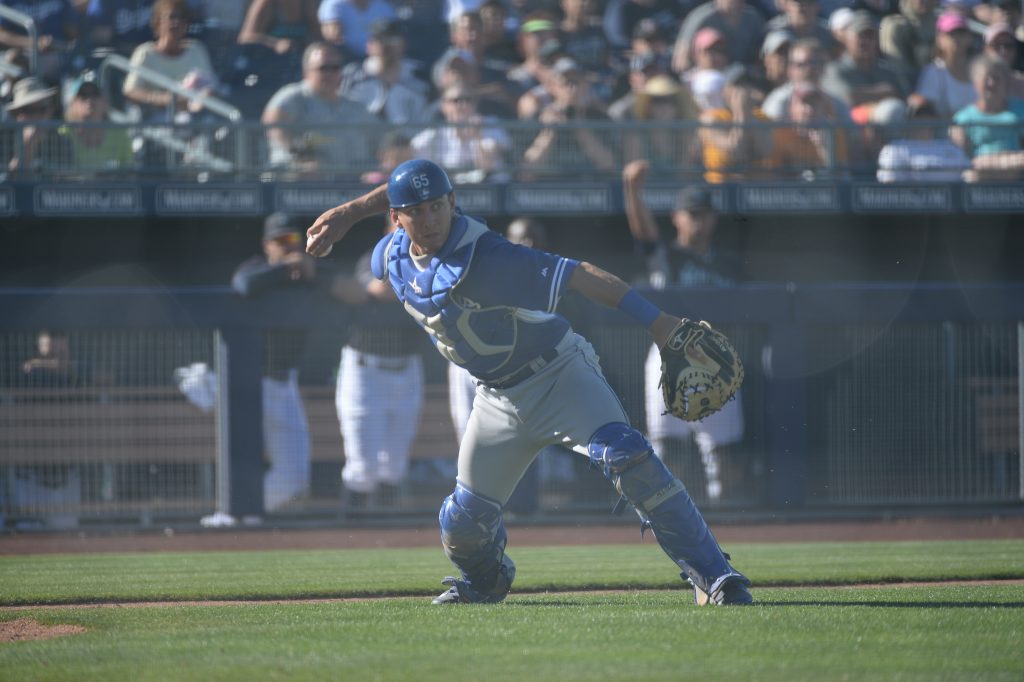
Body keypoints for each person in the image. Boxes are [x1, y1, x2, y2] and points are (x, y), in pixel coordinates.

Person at [306, 159, 753, 606]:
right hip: (497, 397)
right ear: (396, 218)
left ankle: (714, 575)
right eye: (416, 211)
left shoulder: (491, 256)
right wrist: (347, 213)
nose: (429, 218)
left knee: (626, 456)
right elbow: (400, 192)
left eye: (437, 206)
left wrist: (658, 322)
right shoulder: (390, 255)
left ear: (452, 203)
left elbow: (580, 274)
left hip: (558, 374)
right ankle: (487, 582)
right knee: (461, 523)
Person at [223, 212, 366, 514]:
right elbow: (243, 285)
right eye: (281, 241)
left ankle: (246, 512)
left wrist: (313, 271)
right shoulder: (257, 268)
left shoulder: (310, 272)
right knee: (240, 461)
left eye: (295, 240)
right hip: (244, 382)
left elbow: (355, 291)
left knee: (294, 478)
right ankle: (235, 514)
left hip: (281, 382)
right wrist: (284, 268)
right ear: (267, 245)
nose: (290, 247)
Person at [622, 162, 746, 504]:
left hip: (715, 358)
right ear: (677, 217)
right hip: (669, 356)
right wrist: (632, 191)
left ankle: (728, 521)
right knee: (667, 448)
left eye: (704, 214)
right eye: (691, 213)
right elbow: (644, 236)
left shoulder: (729, 263)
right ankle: (668, 518)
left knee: (722, 453)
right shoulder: (667, 258)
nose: (698, 220)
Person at [446, 218, 577, 517]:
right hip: (469, 364)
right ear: (507, 241)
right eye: (521, 238)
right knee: (471, 439)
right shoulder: (488, 265)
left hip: (513, 368)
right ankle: (472, 513)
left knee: (523, 434)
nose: (528, 246)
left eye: (534, 239)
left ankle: (522, 511)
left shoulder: (548, 280)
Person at [335, 215, 426, 510]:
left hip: (407, 368)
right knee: (362, 467)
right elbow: (378, 290)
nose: (406, 234)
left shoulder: (432, 262)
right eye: (399, 228)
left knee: (395, 466)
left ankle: (388, 539)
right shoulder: (374, 258)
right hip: (366, 369)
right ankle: (351, 535)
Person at [262, 41, 377, 175]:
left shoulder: (353, 106)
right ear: (306, 72)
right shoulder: (293, 96)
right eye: (323, 68)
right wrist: (300, 157)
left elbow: (381, 136)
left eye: (334, 68)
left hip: (347, 181)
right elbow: (274, 126)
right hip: (295, 180)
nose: (329, 73)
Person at [521, 57, 617, 178]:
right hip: (546, 189)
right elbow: (526, 172)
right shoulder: (538, 117)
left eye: (576, 82)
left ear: (585, 86)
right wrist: (548, 133)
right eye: (566, 83)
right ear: (553, 86)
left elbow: (608, 166)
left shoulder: (599, 118)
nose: (572, 89)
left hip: (590, 189)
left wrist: (582, 129)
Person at [121, 0, 215, 122]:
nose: (176, 22)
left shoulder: (197, 50)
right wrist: (166, 99)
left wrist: (202, 97)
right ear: (158, 23)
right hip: (156, 118)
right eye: (171, 17)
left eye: (182, 18)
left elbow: (210, 85)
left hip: (195, 116)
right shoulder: (145, 53)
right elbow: (130, 91)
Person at [411, 83, 511, 183]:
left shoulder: (490, 125)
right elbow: (411, 152)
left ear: (475, 104)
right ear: (443, 105)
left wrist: (477, 135)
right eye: (456, 101)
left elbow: (488, 166)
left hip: (489, 189)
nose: (462, 105)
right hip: (452, 191)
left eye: (467, 100)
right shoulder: (435, 134)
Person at [340, 19, 430, 125]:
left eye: (394, 39)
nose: (387, 45)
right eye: (381, 39)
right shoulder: (351, 75)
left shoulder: (420, 75)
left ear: (403, 45)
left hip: (410, 137)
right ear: (368, 45)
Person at [951, 54, 1024, 182]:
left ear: (1006, 82)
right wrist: (1006, 162)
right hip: (979, 182)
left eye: (997, 78)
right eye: (986, 78)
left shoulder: (1021, 110)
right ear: (975, 83)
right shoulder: (963, 119)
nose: (991, 83)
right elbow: (961, 160)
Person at [58, 70, 136, 175]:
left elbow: (129, 173)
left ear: (105, 102)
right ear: (72, 103)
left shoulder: (120, 134)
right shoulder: (62, 134)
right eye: (83, 95)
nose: (89, 100)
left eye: (95, 94)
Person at [876, 98, 971, 181]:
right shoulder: (893, 148)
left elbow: (968, 173)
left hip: (953, 199)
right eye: (919, 116)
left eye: (928, 116)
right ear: (908, 120)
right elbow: (889, 183)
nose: (924, 120)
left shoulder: (950, 147)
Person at [912, 10, 976, 119]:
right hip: (944, 135)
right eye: (951, 34)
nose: (956, 39)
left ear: (969, 38)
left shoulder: (979, 72)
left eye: (961, 33)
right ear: (939, 39)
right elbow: (926, 115)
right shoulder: (933, 72)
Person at [5, 77, 71, 174]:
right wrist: (26, 148)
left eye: (41, 110)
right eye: (28, 110)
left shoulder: (62, 143)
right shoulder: (4, 141)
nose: (36, 117)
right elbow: (7, 184)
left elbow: (66, 182)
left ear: (50, 111)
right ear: (17, 116)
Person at [318, 0, 397, 59]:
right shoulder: (333, 5)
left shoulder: (384, 7)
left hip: (379, 57)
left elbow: (392, 36)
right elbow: (332, 37)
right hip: (346, 58)